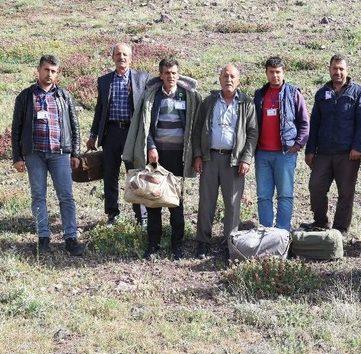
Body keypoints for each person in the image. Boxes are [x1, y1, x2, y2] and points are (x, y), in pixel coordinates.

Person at [123, 58, 201, 260]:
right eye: (167, 73)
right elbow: (145, 125)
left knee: (176, 201)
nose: (171, 76)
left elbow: (194, 126)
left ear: (178, 74)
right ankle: (153, 244)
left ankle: (177, 245)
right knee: (152, 199)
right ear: (161, 75)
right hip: (157, 154)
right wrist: (151, 146)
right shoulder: (152, 96)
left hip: (178, 155)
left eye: (174, 73)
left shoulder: (187, 95)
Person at [11, 55, 85, 256]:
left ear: (57, 73)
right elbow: (16, 128)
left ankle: (70, 238)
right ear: (38, 70)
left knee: (66, 197)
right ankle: (43, 238)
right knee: (38, 196)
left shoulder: (64, 96)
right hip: (34, 154)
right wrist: (17, 157)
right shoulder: (25, 96)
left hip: (60, 154)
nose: (49, 74)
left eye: (53, 71)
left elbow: (74, 126)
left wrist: (75, 152)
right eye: (46, 70)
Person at [192, 64, 258, 259]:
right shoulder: (209, 102)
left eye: (232, 76)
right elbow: (197, 130)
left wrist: (246, 159)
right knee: (206, 201)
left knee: (232, 203)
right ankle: (203, 242)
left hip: (234, 161)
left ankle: (230, 244)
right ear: (219, 79)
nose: (228, 79)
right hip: (210, 158)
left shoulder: (247, 103)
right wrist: (198, 155)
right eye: (225, 76)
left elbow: (253, 133)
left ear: (238, 80)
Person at [304, 54, 361, 234]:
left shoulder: (358, 92)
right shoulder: (321, 93)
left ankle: (340, 229)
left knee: (346, 193)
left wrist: (358, 147)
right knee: (315, 186)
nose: (338, 72)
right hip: (323, 153)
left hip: (347, 153)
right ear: (329, 69)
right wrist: (310, 150)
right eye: (335, 68)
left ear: (347, 71)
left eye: (341, 69)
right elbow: (315, 123)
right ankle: (320, 222)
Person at [86, 43, 149, 226]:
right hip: (111, 133)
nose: (121, 57)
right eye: (118, 54)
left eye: (125, 54)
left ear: (131, 58)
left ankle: (141, 216)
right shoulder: (104, 81)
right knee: (110, 174)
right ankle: (112, 214)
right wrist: (93, 135)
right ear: (113, 57)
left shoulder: (142, 78)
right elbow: (99, 110)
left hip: (133, 133)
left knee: (135, 174)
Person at [253, 56, 309, 231]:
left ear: (283, 72)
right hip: (262, 154)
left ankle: (283, 232)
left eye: (278, 72)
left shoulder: (293, 93)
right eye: (271, 72)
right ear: (266, 73)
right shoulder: (259, 95)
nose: (275, 76)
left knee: (285, 195)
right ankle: (266, 231)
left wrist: (297, 145)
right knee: (263, 195)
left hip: (285, 153)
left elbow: (305, 123)